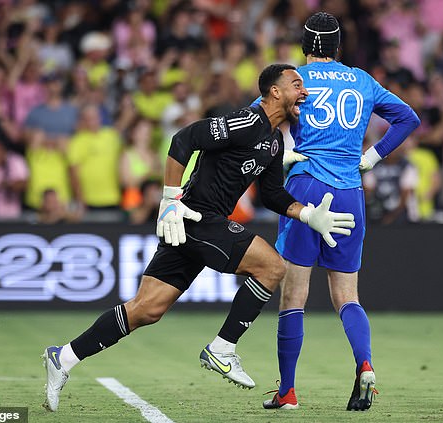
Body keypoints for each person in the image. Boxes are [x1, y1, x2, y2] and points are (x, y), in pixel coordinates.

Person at [41, 64, 356, 412]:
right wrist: (170, 200)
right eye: (297, 84)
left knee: (147, 309)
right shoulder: (248, 121)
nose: (305, 92)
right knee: (272, 267)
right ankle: (223, 347)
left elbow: (272, 196)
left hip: (199, 223)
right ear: (275, 92)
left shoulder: (273, 143)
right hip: (193, 217)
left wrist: (309, 214)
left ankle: (64, 357)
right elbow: (184, 139)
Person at [261, 12, 419, 412]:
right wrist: (372, 156)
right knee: (347, 295)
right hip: (350, 191)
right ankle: (364, 364)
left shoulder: (295, 79)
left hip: (306, 186)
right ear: (338, 47)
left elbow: (256, 117)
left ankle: (289, 392)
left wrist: (285, 151)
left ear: (304, 45)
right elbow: (408, 118)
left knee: (294, 294)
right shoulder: (362, 80)